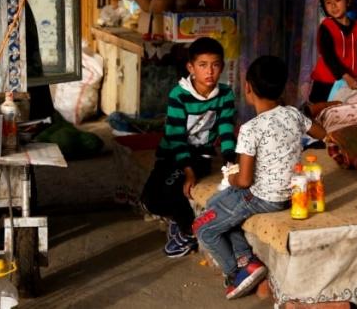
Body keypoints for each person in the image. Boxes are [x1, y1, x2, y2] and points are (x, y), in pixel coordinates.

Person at [194, 55, 331, 299]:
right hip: (292, 192)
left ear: (247, 88)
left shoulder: (250, 129)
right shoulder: (293, 114)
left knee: (204, 229)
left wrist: (232, 176)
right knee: (218, 202)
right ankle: (248, 260)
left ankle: (236, 272)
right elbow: (323, 134)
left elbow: (245, 181)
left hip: (262, 197)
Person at [140, 37, 237, 258]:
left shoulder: (225, 94)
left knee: (174, 192)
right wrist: (188, 172)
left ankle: (189, 231)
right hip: (173, 153)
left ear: (222, 66)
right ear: (191, 67)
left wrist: (230, 160)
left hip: (200, 155)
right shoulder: (179, 95)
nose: (210, 71)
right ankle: (182, 221)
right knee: (150, 201)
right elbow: (175, 137)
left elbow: (225, 130)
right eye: (203, 65)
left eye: (215, 65)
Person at [309, 0, 357, 103]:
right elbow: (328, 56)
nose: (333, 6)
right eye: (328, 2)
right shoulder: (326, 27)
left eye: (337, 0)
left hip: (353, 80)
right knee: (322, 117)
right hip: (326, 82)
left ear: (347, 1)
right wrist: (346, 77)